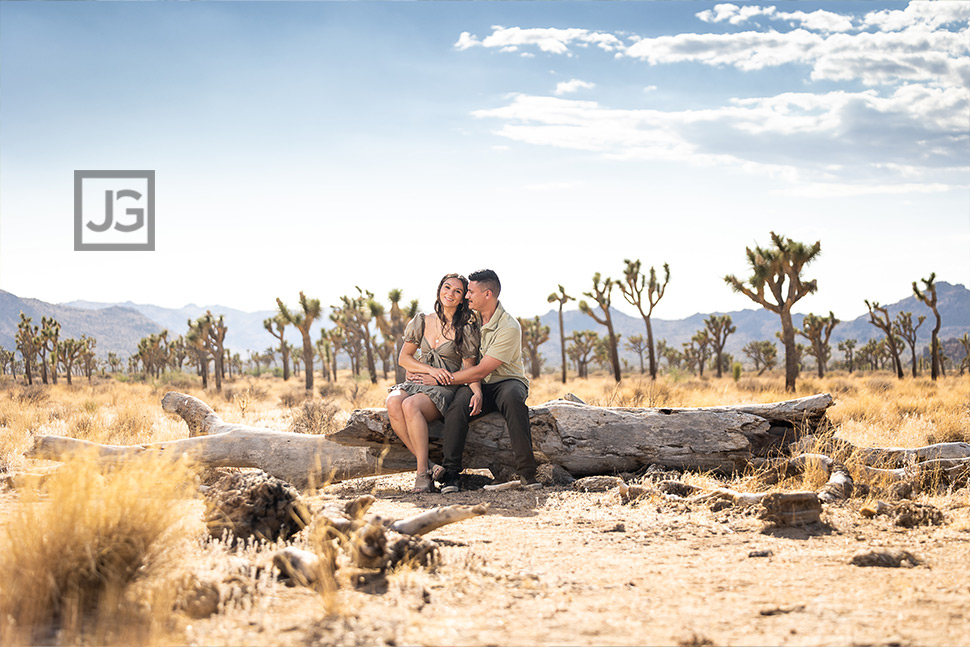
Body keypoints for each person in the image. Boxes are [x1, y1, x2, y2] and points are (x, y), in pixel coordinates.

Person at [407, 269, 540, 493]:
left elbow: (481, 370)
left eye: (471, 292)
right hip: (476, 383)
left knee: (512, 399)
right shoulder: (471, 318)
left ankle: (527, 473)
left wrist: (439, 379)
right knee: (458, 406)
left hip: (506, 380)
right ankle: (450, 476)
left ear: (488, 294)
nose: (466, 296)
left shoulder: (508, 326)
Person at [386, 273, 482, 493]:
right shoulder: (422, 320)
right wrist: (430, 370)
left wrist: (477, 391)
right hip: (419, 381)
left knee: (410, 405)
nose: (450, 294)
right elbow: (404, 359)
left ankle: (422, 474)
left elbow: (469, 367)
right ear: (439, 289)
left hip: (445, 387)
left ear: (462, 298)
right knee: (393, 401)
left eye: (457, 291)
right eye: (447, 288)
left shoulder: (466, 328)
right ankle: (430, 465)